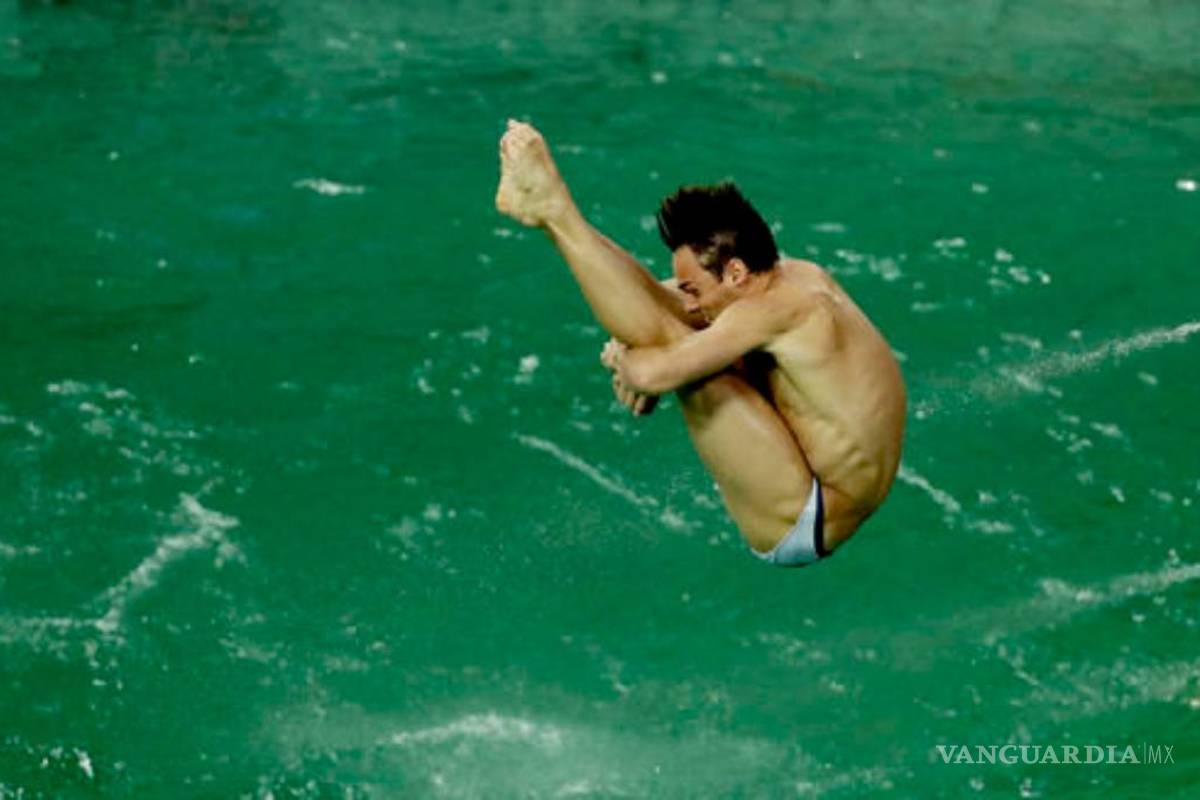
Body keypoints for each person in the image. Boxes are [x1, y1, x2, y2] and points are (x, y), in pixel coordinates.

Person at [495, 119, 906, 566]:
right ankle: (553, 216)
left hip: (805, 515)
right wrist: (640, 340)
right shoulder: (795, 276)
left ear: (733, 271)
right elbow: (663, 297)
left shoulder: (772, 311)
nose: (689, 300)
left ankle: (555, 212)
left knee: (668, 338)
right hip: (817, 468)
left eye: (693, 287)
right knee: (672, 322)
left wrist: (632, 357)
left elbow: (652, 373)